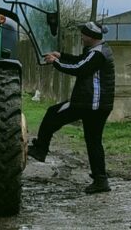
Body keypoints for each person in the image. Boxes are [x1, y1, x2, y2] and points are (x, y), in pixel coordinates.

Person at [27, 21, 116, 194]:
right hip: (97, 104)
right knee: (94, 141)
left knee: (52, 114)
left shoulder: (97, 54)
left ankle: (40, 149)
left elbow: (79, 68)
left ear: (90, 36)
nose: (81, 37)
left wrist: (55, 63)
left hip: (90, 104)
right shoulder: (97, 50)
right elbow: (79, 60)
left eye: (83, 34)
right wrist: (61, 55)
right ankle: (100, 180)